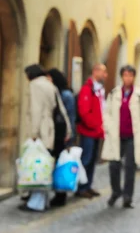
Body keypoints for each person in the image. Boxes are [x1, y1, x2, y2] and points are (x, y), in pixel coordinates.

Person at [21, 64, 71, 212]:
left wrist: (34, 134)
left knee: (38, 165)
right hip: (52, 129)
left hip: (43, 130)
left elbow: (36, 110)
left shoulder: (35, 85)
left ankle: (37, 202)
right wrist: (67, 128)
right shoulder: (50, 85)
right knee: (45, 164)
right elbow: (61, 108)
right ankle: (41, 200)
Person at [102, 65, 140, 209]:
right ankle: (116, 191)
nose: (127, 78)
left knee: (130, 166)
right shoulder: (114, 93)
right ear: (122, 77)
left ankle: (128, 196)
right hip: (116, 135)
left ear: (134, 77)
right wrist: (109, 127)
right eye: (125, 75)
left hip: (132, 136)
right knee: (114, 165)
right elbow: (107, 112)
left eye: (130, 75)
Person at [47, 68, 77, 207]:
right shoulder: (59, 93)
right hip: (57, 134)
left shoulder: (66, 95)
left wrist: (69, 136)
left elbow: (70, 117)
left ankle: (60, 195)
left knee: (61, 164)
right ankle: (57, 193)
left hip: (61, 135)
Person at [76, 63, 106, 199]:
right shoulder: (87, 89)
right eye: (103, 72)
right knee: (86, 159)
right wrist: (95, 125)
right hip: (89, 131)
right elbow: (84, 111)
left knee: (93, 159)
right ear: (96, 71)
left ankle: (87, 185)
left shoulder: (99, 89)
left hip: (97, 131)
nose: (105, 75)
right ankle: (81, 187)